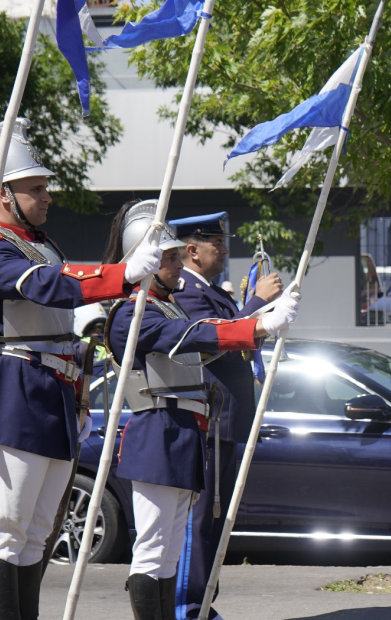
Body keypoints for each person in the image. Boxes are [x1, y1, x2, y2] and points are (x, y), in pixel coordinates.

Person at [0, 118, 163, 620]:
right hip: (16, 390)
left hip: (54, 394)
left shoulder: (41, 242)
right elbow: (45, 284)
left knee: (39, 530)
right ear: (4, 193)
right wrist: (118, 274)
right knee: (7, 528)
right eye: (35, 188)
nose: (47, 196)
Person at [103, 201, 299, 619]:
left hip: (183, 434)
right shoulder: (132, 312)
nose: (176, 264)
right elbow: (192, 333)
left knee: (170, 551)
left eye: (176, 255)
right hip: (158, 436)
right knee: (155, 550)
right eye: (168, 257)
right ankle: (187, 611)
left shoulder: (166, 303)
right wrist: (258, 321)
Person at [165, 212, 282, 620]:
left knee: (216, 522)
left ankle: (201, 603)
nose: (226, 250)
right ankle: (186, 608)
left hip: (229, 419)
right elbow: (213, 336)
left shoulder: (211, 289)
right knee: (201, 521)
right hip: (212, 418)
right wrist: (256, 304)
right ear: (192, 251)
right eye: (217, 244)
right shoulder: (186, 290)